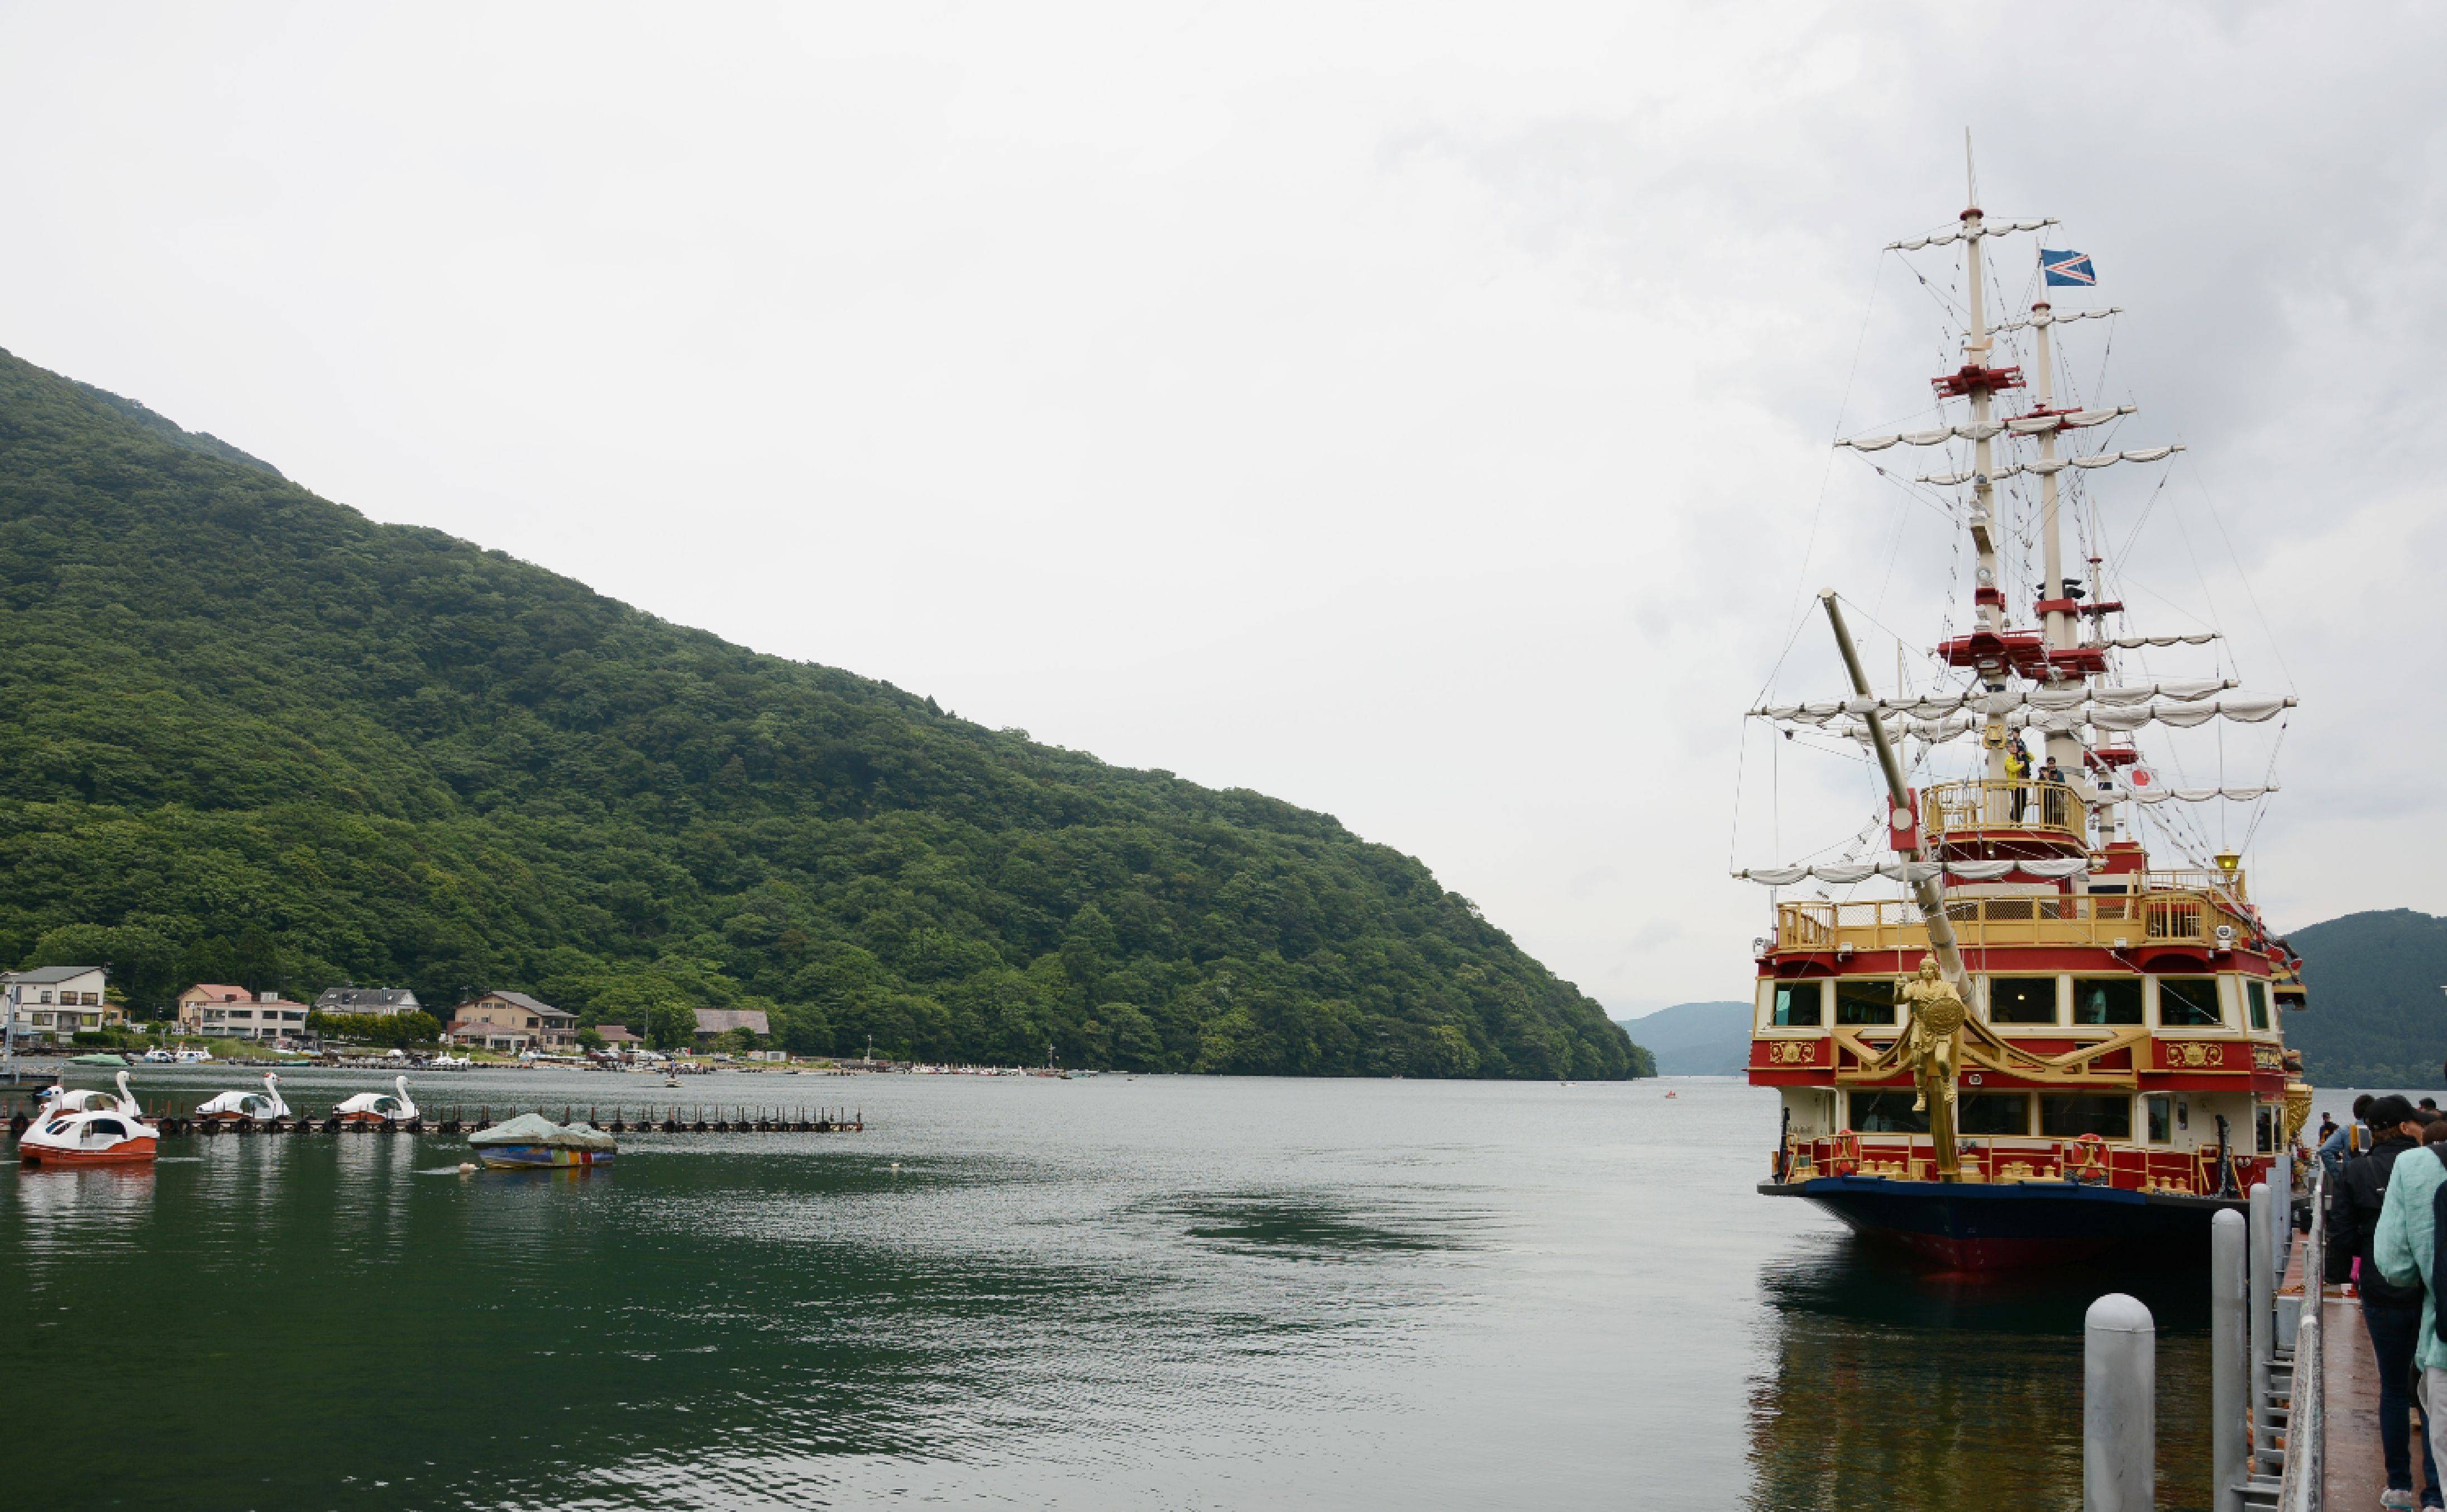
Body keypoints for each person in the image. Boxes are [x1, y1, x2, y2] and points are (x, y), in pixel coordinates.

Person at [2344, 1095, 2444, 1510]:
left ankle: (2400, 1485)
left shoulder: (2357, 1169)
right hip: (2429, 1295)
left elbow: (2345, 1232)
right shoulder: (2428, 1164)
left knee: (2392, 1390)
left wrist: (2341, 1275)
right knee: (2427, 1396)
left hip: (2384, 1288)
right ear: (2405, 1127)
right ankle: (2435, 1493)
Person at [2377, 1117, 2447, 1510]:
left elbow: (2396, 1267)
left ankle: (2414, 1491)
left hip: (2443, 1345)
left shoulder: (2417, 1166)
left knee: (2394, 1386)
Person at [2324, 1094, 2376, 1184]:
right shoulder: (2379, 1132)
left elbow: (2325, 1150)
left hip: (2351, 1180)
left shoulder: (2346, 1131)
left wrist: (2338, 1176)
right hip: (2373, 1181)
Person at [2005, 739, 2032, 822]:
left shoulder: (2020, 757)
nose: (2015, 748)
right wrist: (2021, 765)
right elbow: (2012, 769)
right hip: (2015, 784)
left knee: (2023, 803)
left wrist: (2025, 752)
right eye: (2012, 746)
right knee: (2017, 803)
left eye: (2016, 746)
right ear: (2008, 749)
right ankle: (2013, 820)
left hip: (2023, 783)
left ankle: (2019, 821)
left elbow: (2032, 758)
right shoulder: (2009, 759)